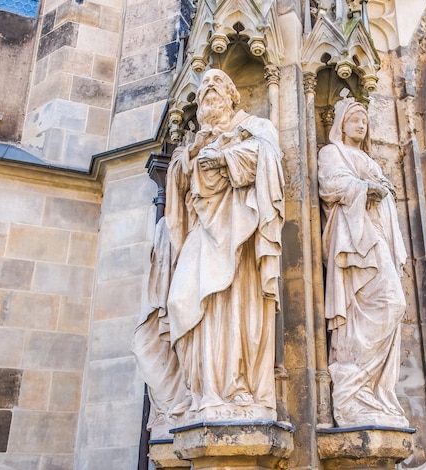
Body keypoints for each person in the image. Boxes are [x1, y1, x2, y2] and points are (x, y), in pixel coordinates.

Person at [133, 69, 284, 431]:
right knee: (183, 302)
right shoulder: (195, 143)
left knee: (234, 309)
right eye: (202, 94)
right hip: (203, 234)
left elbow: (269, 157)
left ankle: (236, 389)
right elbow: (178, 193)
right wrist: (189, 163)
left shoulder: (255, 126)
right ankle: (202, 392)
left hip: (239, 238)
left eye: (215, 90)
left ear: (232, 96)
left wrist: (222, 158)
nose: (208, 97)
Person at [318, 97, 409, 428]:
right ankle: (351, 388)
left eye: (366, 121)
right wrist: (362, 188)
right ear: (341, 124)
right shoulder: (332, 153)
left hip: (377, 235)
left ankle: (372, 392)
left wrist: (380, 187)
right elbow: (329, 184)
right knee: (383, 305)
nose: (362, 125)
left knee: (393, 305)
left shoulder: (368, 158)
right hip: (354, 242)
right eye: (355, 119)